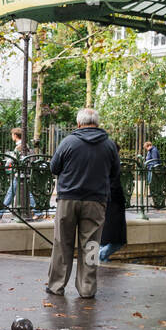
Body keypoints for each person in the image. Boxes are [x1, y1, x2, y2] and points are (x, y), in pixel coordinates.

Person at [46, 108, 121, 297]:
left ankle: (56, 286)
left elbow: (54, 167)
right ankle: (87, 288)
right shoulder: (109, 145)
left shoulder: (68, 142)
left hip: (68, 199)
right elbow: (115, 173)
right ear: (97, 123)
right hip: (96, 200)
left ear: (79, 123)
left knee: (62, 243)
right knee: (92, 245)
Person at [0, 128, 32, 220]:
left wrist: (3, 166)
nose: (11, 136)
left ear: (15, 135)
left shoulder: (20, 146)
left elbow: (12, 159)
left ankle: (0, 212)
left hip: (20, 174)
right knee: (12, 193)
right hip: (23, 174)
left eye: (12, 135)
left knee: (12, 193)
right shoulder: (24, 145)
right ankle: (0, 212)